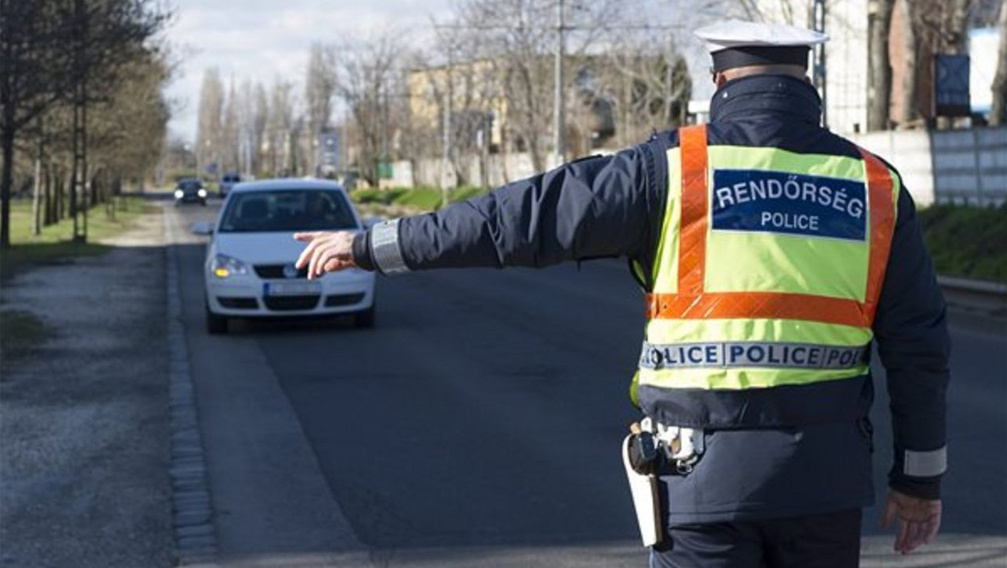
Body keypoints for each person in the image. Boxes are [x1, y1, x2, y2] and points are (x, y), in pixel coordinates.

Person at [293, 20, 949, 567]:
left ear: (718, 82)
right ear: (805, 83)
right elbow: (919, 344)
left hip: (701, 483)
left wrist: (372, 245)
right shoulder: (874, 186)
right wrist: (917, 481)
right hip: (824, 489)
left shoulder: (671, 170)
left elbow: (513, 221)